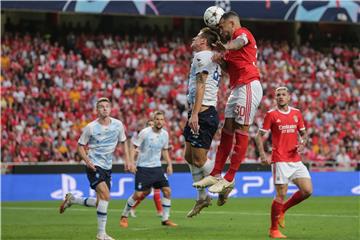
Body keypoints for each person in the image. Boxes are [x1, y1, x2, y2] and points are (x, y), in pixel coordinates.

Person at [193, 11, 263, 203]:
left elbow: (239, 42)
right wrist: (221, 59)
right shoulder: (230, 47)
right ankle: (216, 173)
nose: (221, 31)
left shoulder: (242, 33)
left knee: (242, 129)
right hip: (237, 87)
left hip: (249, 85)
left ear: (231, 23)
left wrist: (226, 46)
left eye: (222, 27)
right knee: (227, 130)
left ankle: (229, 178)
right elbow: (229, 68)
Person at [59, 97, 135, 240]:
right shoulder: (91, 127)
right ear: (97, 110)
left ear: (110, 109)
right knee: (106, 195)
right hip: (94, 165)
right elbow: (80, 146)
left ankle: (73, 200)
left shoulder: (118, 125)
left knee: (101, 202)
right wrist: (87, 161)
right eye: (101, 106)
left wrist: (128, 161)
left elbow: (124, 142)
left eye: (107, 106)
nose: (105, 108)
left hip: (107, 166)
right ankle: (101, 234)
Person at [254, 87, 313, 239]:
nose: (280, 97)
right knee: (281, 194)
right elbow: (258, 136)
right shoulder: (271, 115)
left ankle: (283, 210)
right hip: (280, 160)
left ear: (289, 97)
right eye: (278, 95)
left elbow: (304, 134)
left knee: (307, 191)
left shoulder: (296, 113)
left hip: (295, 159)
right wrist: (262, 155)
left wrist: (302, 144)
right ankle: (273, 230)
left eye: (283, 94)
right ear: (275, 98)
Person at [183, 27, 222, 217]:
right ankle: (202, 197)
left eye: (197, 36)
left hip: (203, 113)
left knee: (198, 159)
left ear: (204, 41)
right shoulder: (207, 56)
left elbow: (201, 85)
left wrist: (195, 114)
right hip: (198, 111)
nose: (194, 38)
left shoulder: (202, 57)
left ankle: (222, 183)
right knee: (189, 157)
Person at [119, 111, 177, 227]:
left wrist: (169, 164)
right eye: (157, 119)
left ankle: (165, 219)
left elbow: (164, 150)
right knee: (138, 194)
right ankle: (124, 215)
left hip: (157, 167)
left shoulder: (165, 134)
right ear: (153, 120)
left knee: (167, 191)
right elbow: (134, 147)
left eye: (161, 119)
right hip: (143, 168)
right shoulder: (145, 133)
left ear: (164, 121)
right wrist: (131, 163)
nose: (159, 121)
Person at [129, 119, 163, 217]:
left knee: (151, 191)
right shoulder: (143, 138)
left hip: (155, 166)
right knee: (142, 193)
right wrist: (132, 163)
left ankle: (160, 212)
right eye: (150, 125)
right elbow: (135, 150)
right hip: (144, 167)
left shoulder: (159, 136)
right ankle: (131, 207)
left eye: (153, 124)